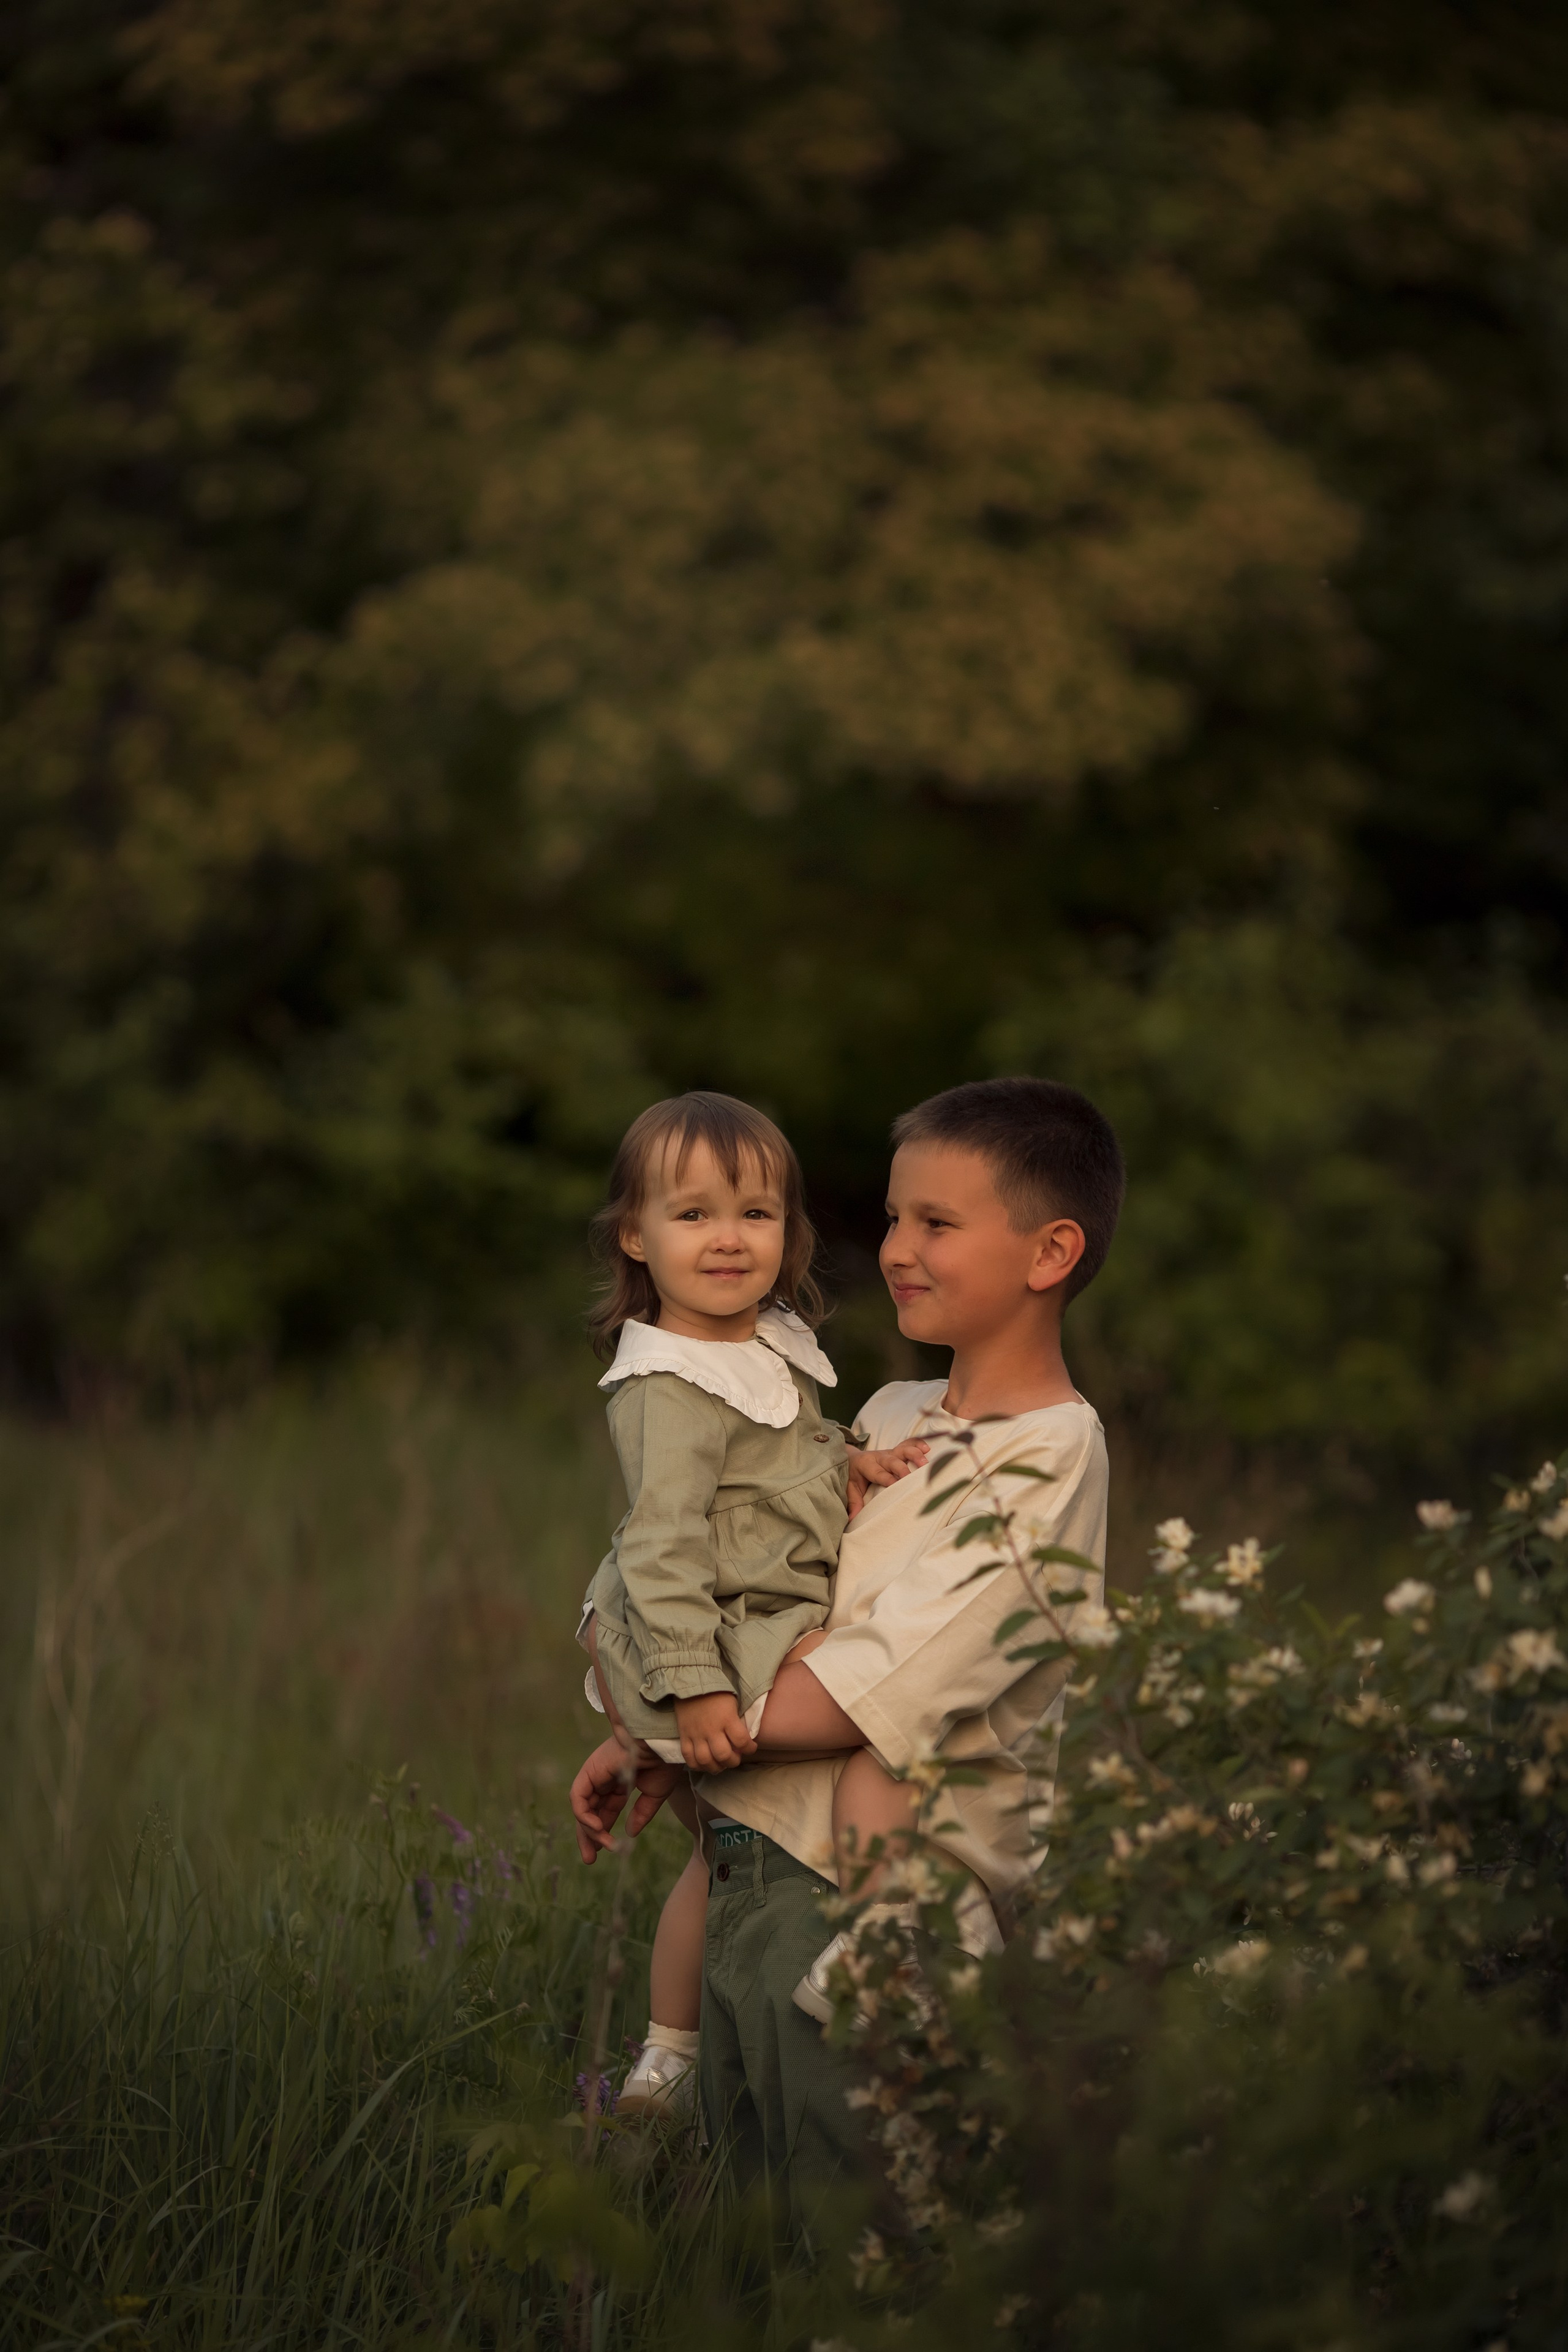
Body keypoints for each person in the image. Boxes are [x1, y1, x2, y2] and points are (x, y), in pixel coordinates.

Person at [571, 1076, 1123, 2233]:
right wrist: (659, 1735)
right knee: (748, 2246)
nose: (897, 1250)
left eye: (937, 1223)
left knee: (867, 2255)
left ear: (1050, 1251)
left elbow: (853, 1698)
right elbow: (735, 1585)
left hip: (872, 1920)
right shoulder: (882, 1415)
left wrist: (665, 1723)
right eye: (892, 1218)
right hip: (749, 1872)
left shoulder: (1046, 1456)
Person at [575, 1089, 929, 2116]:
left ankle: (677, 2056)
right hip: (702, 1646)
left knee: (714, 1857)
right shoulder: (667, 1385)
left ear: (791, 1233)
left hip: (740, 1624)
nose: (728, 1240)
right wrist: (689, 1694)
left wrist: (852, 1463)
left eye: (756, 1214)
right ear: (635, 1237)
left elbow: (775, 1460)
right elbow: (666, 1544)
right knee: (724, 1857)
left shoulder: (761, 1341)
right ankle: (675, 2059)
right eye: (693, 1216)